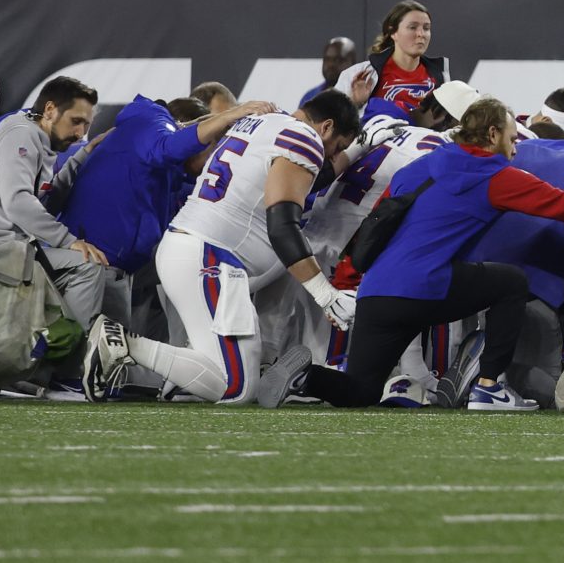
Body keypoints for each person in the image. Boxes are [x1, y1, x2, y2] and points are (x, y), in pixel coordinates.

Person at [296, 97, 564, 411]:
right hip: (425, 288)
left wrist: (348, 283)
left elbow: (375, 226)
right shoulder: (493, 174)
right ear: (491, 136)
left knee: (360, 391)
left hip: (378, 291)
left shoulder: (419, 167)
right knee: (512, 281)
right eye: (512, 138)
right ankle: (489, 387)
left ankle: (301, 375)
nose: (516, 147)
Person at [80, 95, 362, 405]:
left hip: (196, 248)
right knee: (235, 388)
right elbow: (282, 226)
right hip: (209, 256)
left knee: (240, 373)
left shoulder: (263, 122)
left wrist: (357, 148)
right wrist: (326, 295)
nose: (329, 156)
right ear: (326, 127)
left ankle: (187, 378)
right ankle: (122, 344)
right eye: (336, 148)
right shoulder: (304, 136)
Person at [0, 77, 105, 348]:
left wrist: (83, 155)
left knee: (87, 265)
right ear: (50, 110)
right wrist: (69, 240)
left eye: (87, 124)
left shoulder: (37, 136)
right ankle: (68, 372)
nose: (81, 132)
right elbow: (18, 203)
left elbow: (44, 205)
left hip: (8, 247)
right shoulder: (22, 136)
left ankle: (42, 365)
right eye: (76, 121)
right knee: (88, 266)